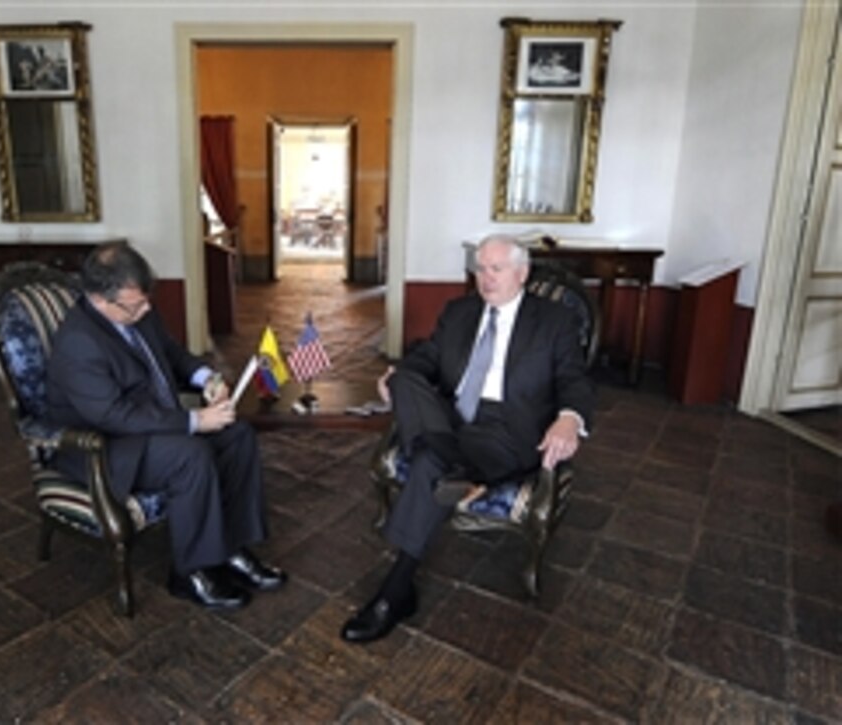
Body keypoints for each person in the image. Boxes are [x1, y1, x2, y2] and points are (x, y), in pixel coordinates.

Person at [340, 234, 594, 643]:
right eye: (480, 269)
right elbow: (427, 358)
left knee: (428, 464)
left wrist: (569, 417)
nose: (486, 278)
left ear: (521, 273)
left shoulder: (553, 321)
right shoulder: (460, 311)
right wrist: (398, 378)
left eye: (496, 269)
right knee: (405, 376)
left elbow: (574, 382)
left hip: (506, 432)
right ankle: (456, 467)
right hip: (451, 420)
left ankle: (395, 592)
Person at [45, 241, 286, 610]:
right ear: (99, 299)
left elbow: (172, 354)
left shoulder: (136, 311)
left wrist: (207, 378)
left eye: (146, 300)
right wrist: (194, 420)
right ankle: (190, 572)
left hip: (149, 427)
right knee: (189, 455)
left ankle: (232, 549)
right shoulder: (78, 342)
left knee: (237, 435)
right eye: (135, 305)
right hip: (103, 447)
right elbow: (112, 415)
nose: (146, 310)